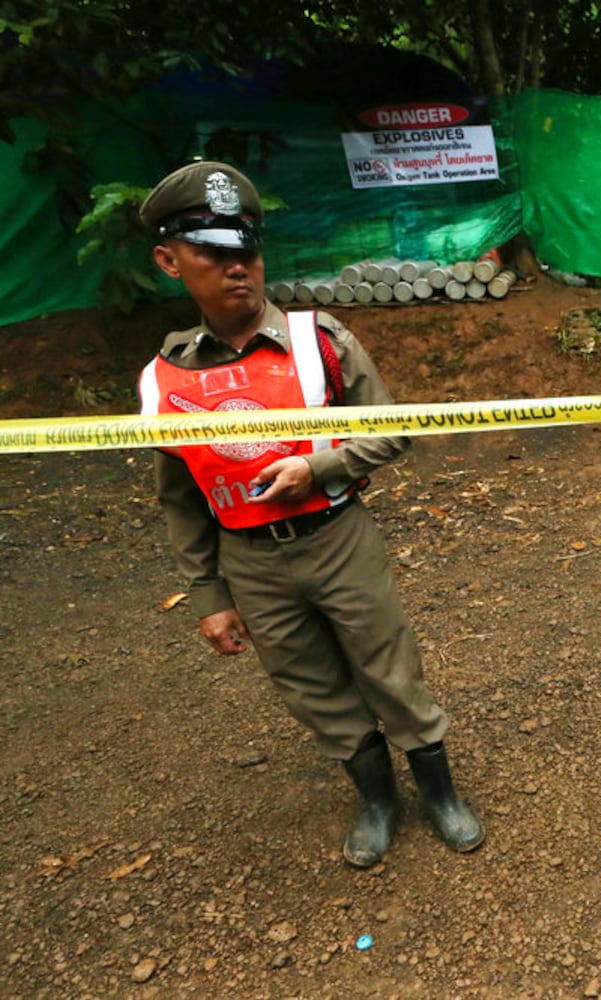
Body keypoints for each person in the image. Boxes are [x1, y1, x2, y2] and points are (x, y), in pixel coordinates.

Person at [135, 160, 483, 867]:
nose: (239, 270)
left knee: (390, 669)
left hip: (336, 538)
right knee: (311, 686)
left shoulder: (317, 341)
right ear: (170, 262)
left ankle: (440, 795)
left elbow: (392, 428)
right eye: (215, 255)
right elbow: (179, 495)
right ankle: (378, 801)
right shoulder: (165, 377)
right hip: (249, 560)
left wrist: (317, 468)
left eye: (248, 254)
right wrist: (210, 595)